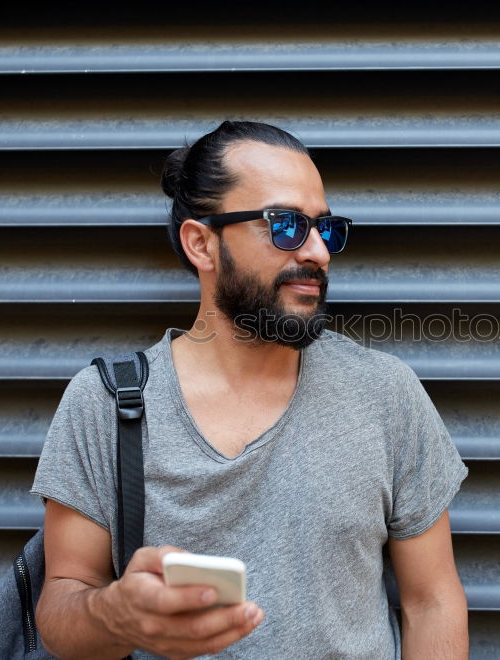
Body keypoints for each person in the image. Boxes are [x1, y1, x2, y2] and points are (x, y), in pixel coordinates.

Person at [32, 120, 469, 659]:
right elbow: (60, 606)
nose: (319, 253)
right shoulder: (106, 403)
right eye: (285, 225)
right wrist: (115, 614)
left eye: (324, 228)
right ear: (202, 243)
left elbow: (432, 601)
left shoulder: (384, 393)